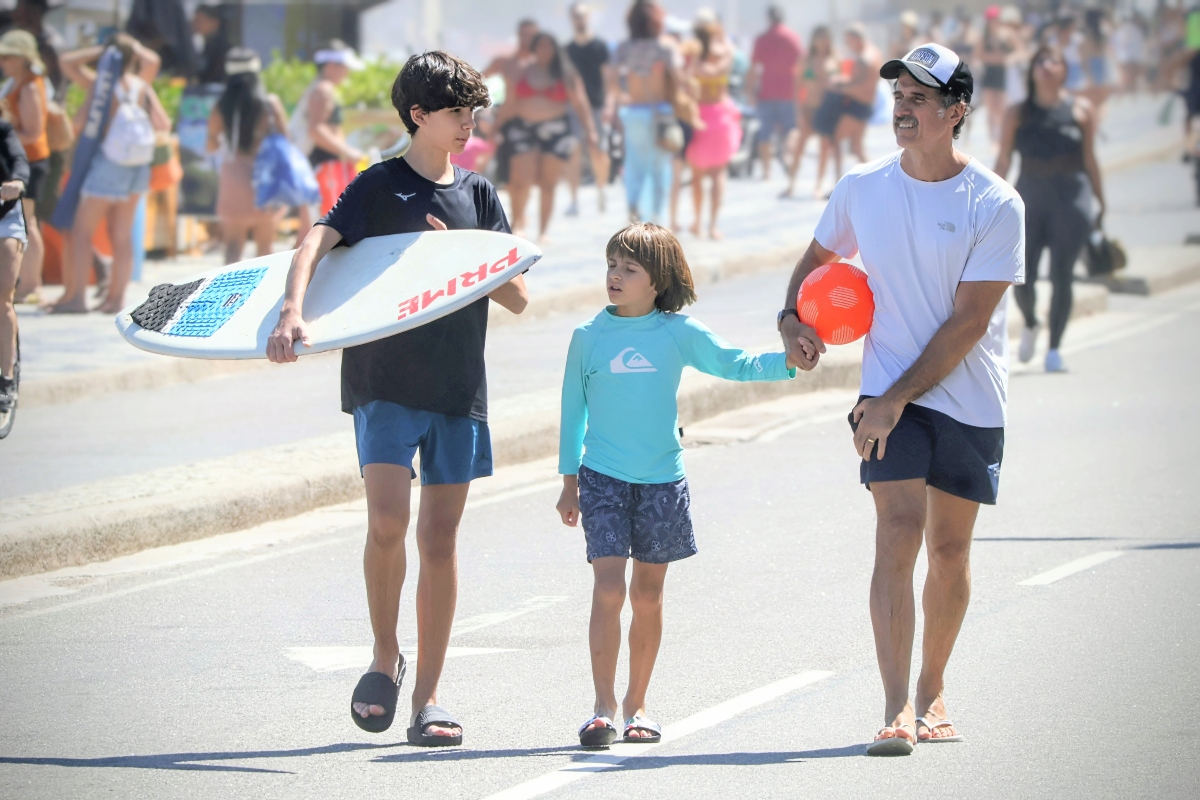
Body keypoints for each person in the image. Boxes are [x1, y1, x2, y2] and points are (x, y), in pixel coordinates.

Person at [266, 51, 528, 746]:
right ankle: (386, 655)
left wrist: (466, 253)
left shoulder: (478, 195)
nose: (468, 124)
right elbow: (313, 243)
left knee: (439, 539)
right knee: (387, 522)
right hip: (382, 381)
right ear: (418, 115)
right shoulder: (378, 186)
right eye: (456, 112)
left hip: (456, 385)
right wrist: (292, 312)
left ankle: (429, 698)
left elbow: (518, 296)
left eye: (473, 112)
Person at [779, 42, 1025, 755]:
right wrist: (791, 318)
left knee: (949, 550)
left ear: (956, 112)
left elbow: (969, 322)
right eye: (898, 98)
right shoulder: (862, 187)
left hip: (968, 397)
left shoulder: (995, 203)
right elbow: (816, 261)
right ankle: (894, 709)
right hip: (888, 391)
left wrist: (897, 397)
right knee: (898, 530)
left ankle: (932, 687)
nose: (903, 110)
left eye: (920, 99)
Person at [559, 222, 798, 747]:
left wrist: (787, 362)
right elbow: (572, 412)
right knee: (608, 588)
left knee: (647, 596)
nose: (615, 276)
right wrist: (568, 481)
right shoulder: (588, 336)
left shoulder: (677, 332)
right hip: (602, 478)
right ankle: (602, 708)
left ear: (657, 281)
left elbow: (735, 363)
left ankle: (637, 705)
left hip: (661, 483)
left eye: (629, 269)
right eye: (611, 265)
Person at [994, 44, 1104, 374]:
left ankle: (1055, 349)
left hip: (1072, 198)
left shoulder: (1081, 110)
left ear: (1064, 69)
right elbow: (1003, 160)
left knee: (1062, 274)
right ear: (1031, 71)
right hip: (1029, 195)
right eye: (1039, 60)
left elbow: (1090, 159)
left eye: (1053, 60)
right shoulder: (1017, 113)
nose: (1045, 65)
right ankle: (1031, 322)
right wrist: (984, 202)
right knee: (1021, 275)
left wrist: (1101, 202)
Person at [52, 34, 169, 314]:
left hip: (109, 163)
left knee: (81, 231)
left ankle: (77, 298)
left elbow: (66, 63)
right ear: (133, 57)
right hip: (138, 165)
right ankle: (116, 299)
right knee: (122, 235)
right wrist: (132, 47)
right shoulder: (141, 85)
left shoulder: (102, 84)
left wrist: (103, 50)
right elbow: (153, 60)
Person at [504, 32, 596, 242]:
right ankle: (517, 225)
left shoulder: (565, 73)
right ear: (534, 49)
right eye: (540, 46)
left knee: (548, 183)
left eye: (548, 46)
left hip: (556, 130)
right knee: (521, 181)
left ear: (555, 49)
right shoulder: (523, 70)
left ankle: (543, 230)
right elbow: (510, 103)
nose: (544, 51)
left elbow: (581, 103)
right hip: (524, 128)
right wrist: (494, 129)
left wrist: (591, 131)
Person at [207, 49, 288, 265]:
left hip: (234, 176)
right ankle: (266, 286)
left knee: (233, 246)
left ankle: (230, 286)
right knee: (265, 247)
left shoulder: (222, 106)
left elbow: (211, 144)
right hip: (266, 177)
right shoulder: (270, 104)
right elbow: (285, 140)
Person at [608, 0, 682, 224]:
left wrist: (623, 96)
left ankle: (634, 207)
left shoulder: (624, 47)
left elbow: (612, 81)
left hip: (633, 112)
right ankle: (656, 217)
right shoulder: (665, 46)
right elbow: (679, 80)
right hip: (660, 111)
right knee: (659, 167)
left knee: (634, 164)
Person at [290, 41, 366, 242]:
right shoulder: (323, 90)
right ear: (331, 66)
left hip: (323, 166)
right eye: (344, 67)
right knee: (318, 232)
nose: (347, 72)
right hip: (322, 167)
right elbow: (315, 130)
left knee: (314, 232)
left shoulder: (321, 88)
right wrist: (348, 152)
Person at [0, 30, 47, 306]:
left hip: (29, 161)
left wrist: (7, 135)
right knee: (26, 222)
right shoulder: (15, 82)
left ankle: (31, 284)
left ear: (23, 57)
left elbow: (33, 131)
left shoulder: (29, 86)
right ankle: (26, 282)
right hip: (17, 163)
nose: (3, 61)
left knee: (28, 222)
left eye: (8, 56)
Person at [685, 15, 740, 239]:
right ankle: (712, 225)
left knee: (697, 176)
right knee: (717, 175)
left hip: (701, 118)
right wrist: (726, 45)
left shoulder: (694, 62)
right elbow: (720, 68)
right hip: (721, 117)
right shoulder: (723, 58)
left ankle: (698, 222)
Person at [811, 24, 883, 190]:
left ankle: (839, 184)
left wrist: (840, 88)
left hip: (858, 106)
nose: (848, 45)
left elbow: (865, 86)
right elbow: (858, 81)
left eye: (849, 41)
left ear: (857, 39)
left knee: (835, 140)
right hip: (862, 105)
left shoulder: (865, 58)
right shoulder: (872, 53)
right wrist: (843, 82)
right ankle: (878, 181)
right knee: (856, 147)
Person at [565, 2, 613, 214]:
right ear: (571, 19)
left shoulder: (599, 46)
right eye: (576, 15)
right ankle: (574, 200)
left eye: (582, 15)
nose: (579, 19)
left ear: (588, 17)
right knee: (573, 152)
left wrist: (609, 105)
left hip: (597, 107)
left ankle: (601, 190)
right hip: (573, 108)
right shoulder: (567, 50)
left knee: (599, 152)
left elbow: (608, 78)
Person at [782, 25, 837, 198]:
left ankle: (818, 185)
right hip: (809, 108)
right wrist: (798, 111)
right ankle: (791, 184)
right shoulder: (806, 60)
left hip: (826, 109)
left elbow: (840, 84)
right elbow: (798, 87)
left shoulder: (834, 59)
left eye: (824, 37)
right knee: (800, 146)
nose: (821, 41)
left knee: (824, 148)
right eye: (818, 37)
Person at [749, 5, 802, 181]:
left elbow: (754, 68)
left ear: (768, 18)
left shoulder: (762, 39)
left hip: (767, 92)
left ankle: (766, 172)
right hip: (789, 92)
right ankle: (787, 155)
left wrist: (749, 91)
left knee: (765, 132)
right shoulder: (792, 37)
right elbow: (802, 63)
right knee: (792, 128)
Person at [0, 118, 29, 423]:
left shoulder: (3, 129)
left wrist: (17, 181)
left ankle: (6, 378)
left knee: (3, 296)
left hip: (4, 217)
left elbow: (19, 160)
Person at [979, 5, 1015, 142]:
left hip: (1002, 73)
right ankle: (992, 139)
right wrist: (992, 58)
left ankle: (1001, 136)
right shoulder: (984, 37)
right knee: (990, 108)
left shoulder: (1007, 35)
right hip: (989, 72)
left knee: (1001, 108)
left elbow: (1021, 50)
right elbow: (978, 55)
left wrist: (1008, 59)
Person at [192, 4, 230, 85]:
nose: (196, 24)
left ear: (215, 23)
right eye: (195, 20)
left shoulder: (221, 48)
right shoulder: (202, 44)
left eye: (200, 21)